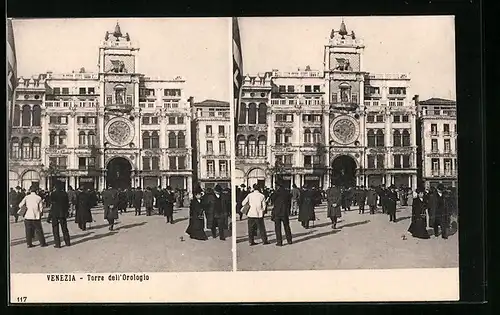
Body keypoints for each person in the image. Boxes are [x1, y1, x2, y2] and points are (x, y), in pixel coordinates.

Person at [49, 183, 72, 248]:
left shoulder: (53, 194)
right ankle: (67, 242)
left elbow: (52, 204)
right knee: (64, 228)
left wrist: (49, 215)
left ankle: (57, 244)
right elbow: (67, 204)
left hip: (55, 213)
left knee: (55, 229)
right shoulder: (64, 194)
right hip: (63, 213)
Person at [271, 181, 293, 246]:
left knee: (277, 228)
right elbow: (289, 201)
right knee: (286, 226)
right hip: (285, 212)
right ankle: (289, 240)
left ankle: (279, 242)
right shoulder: (287, 192)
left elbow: (272, 200)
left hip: (277, 212)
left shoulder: (275, 192)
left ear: (277, 186)